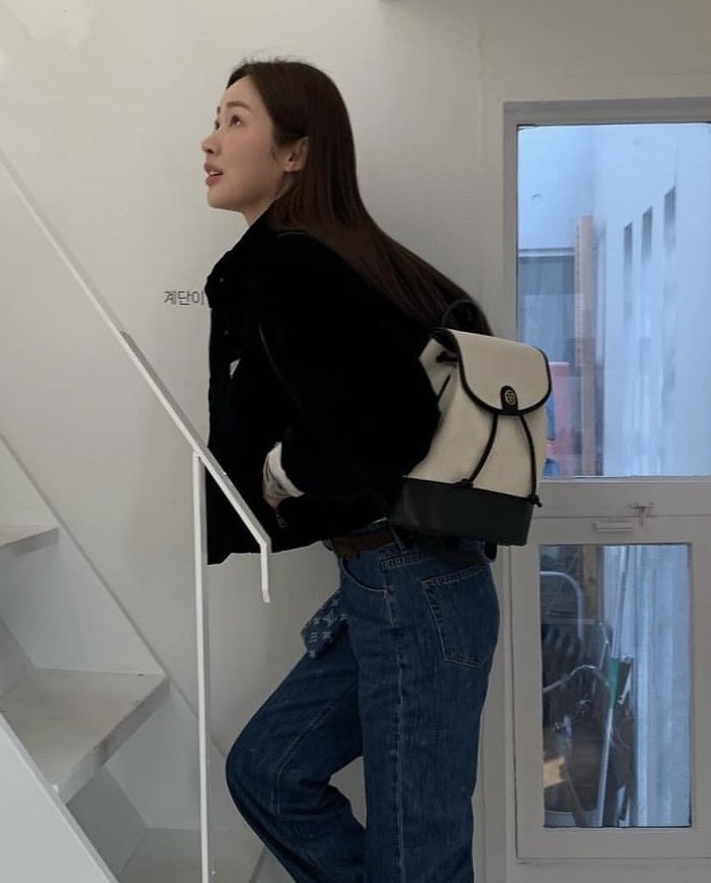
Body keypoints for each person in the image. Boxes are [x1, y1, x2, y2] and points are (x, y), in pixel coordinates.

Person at [199, 59, 500, 883]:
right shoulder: (309, 257)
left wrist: (281, 473)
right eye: (216, 120)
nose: (210, 140)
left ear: (295, 153)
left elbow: (394, 421)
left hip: (412, 584)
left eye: (234, 120)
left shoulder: (295, 262)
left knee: (419, 856)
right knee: (269, 770)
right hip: (392, 581)